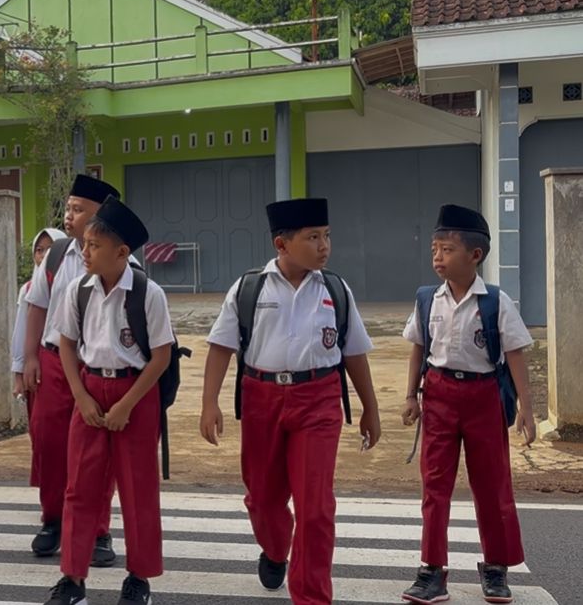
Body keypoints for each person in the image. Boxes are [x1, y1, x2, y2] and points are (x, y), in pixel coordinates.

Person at [199, 198, 381, 605]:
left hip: (319, 400)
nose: (324, 246)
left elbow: (353, 352)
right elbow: (221, 347)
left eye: (327, 236)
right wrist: (209, 403)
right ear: (282, 244)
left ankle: (311, 597)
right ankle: (275, 548)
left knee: (316, 507)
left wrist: (370, 407)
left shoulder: (335, 289)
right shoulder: (249, 288)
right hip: (261, 398)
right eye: (312, 237)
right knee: (262, 499)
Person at [400, 204, 534, 605]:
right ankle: (432, 570)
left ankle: (496, 566)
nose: (437, 257)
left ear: (474, 255)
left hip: (483, 398)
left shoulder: (495, 301)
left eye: (446, 249)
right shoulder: (428, 300)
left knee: (492, 485)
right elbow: (417, 347)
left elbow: (515, 354)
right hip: (439, 395)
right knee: (435, 485)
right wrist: (411, 396)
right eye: (434, 249)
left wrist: (526, 407)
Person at [44, 196, 171, 605]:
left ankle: (139, 578)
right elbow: (66, 344)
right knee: (79, 487)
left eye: (94, 246)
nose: (85, 252)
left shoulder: (149, 294)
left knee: (138, 489)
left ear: (121, 253)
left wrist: (127, 405)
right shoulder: (78, 291)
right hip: (91, 391)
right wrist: (80, 396)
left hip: (135, 395)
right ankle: (73, 578)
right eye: (85, 245)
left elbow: (161, 356)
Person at [21, 174, 120, 563]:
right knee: (48, 441)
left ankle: (98, 531)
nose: (68, 216)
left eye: (78, 210)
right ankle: (53, 519)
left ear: (101, 215)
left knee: (96, 449)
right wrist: (28, 358)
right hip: (51, 363)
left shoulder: (119, 255)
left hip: (95, 365)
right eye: (68, 207)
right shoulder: (57, 255)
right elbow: (36, 306)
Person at [12, 227, 67, 475]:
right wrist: (19, 370)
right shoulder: (28, 289)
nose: (43, 255)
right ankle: (45, 480)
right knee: (42, 429)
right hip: (38, 365)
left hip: (61, 358)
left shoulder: (68, 281)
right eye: (39, 250)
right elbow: (21, 329)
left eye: (49, 250)